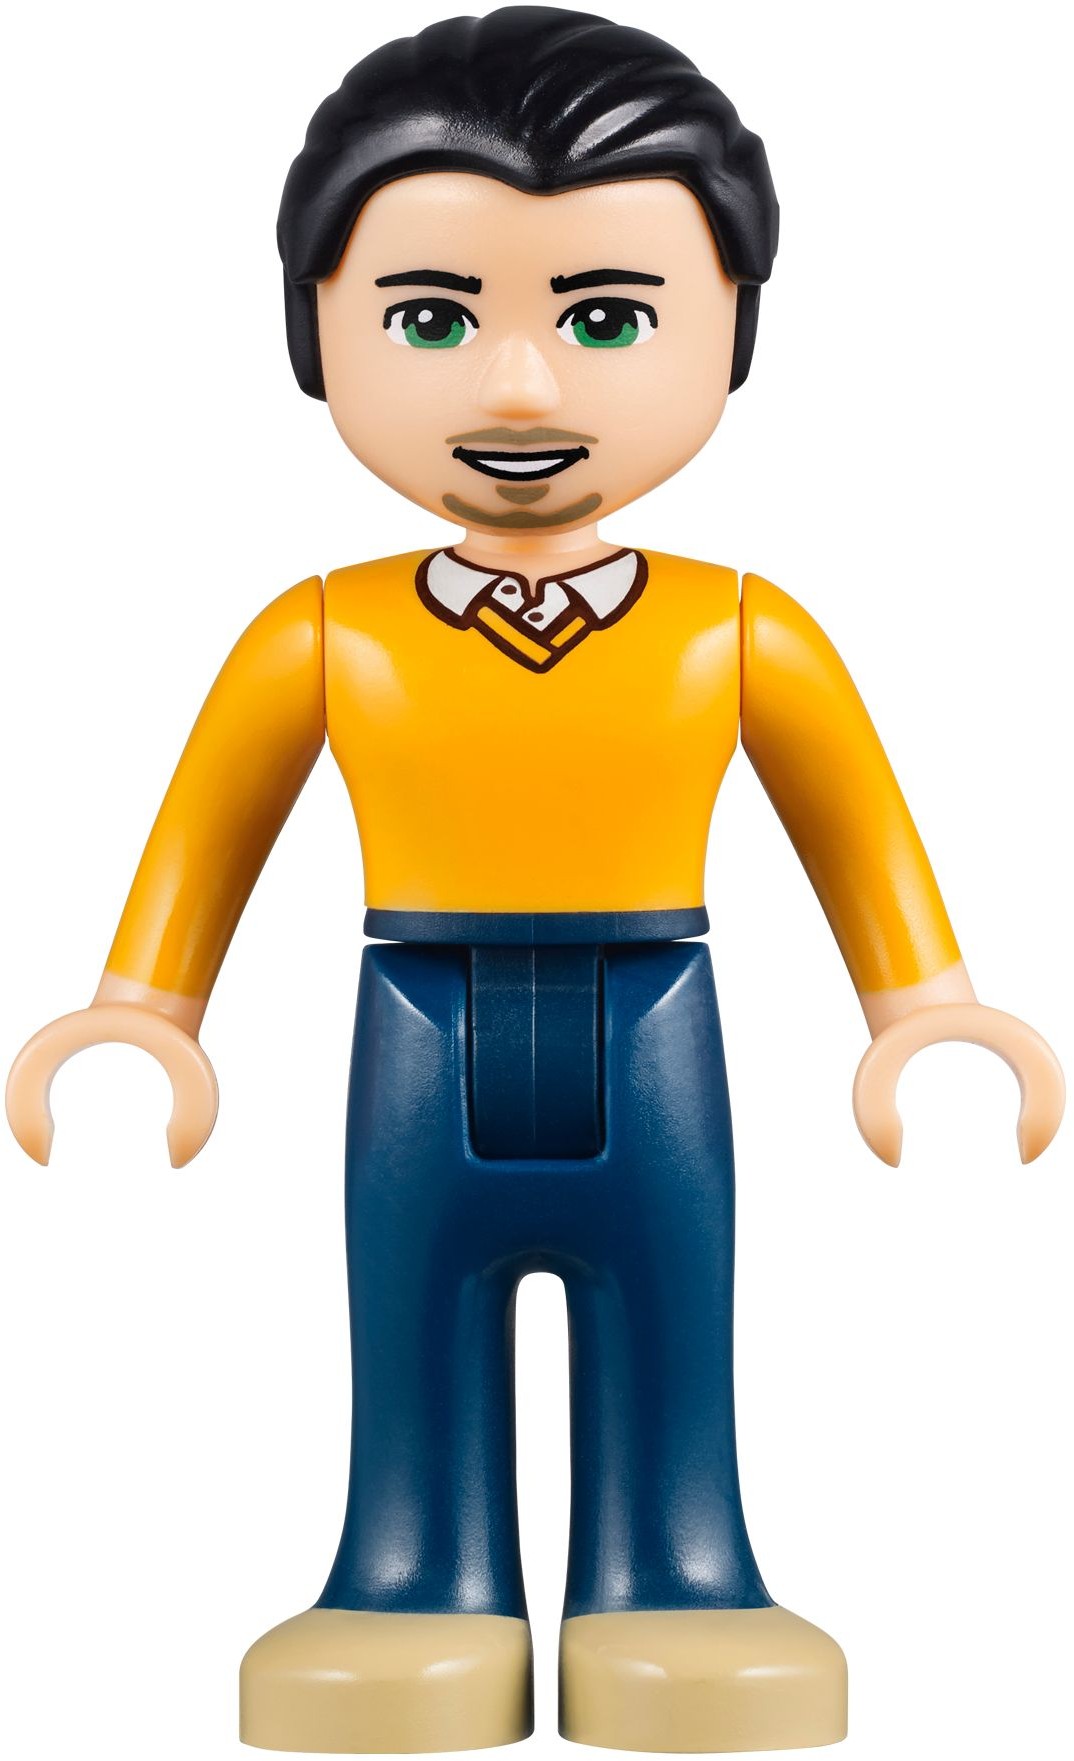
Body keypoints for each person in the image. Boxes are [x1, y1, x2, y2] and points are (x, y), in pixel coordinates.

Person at [6, 9, 1063, 1753]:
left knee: (675, 1312)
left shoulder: (738, 627)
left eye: (605, 317)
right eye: (431, 318)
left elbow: (852, 822)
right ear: (313, 331)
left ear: (731, 329)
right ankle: (409, 1576)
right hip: (413, 1025)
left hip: (658, 1022)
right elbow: (212, 823)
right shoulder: (324, 630)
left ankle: (680, 1574)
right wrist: (143, 1012)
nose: (520, 389)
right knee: (408, 1313)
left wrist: (924, 1011)